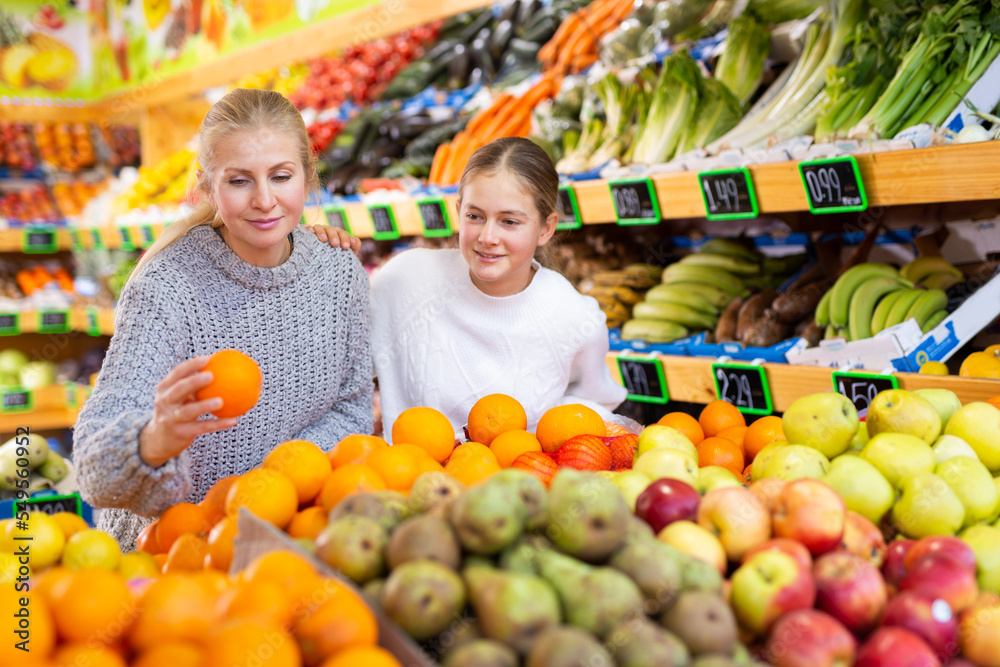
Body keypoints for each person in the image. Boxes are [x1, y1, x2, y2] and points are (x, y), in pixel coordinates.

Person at [74, 89, 373, 551]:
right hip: (173, 556)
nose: (265, 200)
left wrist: (269, 484)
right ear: (208, 186)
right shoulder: (168, 287)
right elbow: (93, 472)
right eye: (239, 181)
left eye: (280, 176)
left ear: (307, 176)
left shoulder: (339, 273)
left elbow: (352, 411)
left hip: (283, 544)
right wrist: (155, 439)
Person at [312, 136, 625, 438]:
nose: (487, 236)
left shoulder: (574, 318)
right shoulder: (406, 282)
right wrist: (314, 266)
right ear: (458, 210)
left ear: (545, 228)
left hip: (518, 489)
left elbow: (591, 410)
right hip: (408, 482)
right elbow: (323, 369)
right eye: (475, 216)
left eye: (509, 222)